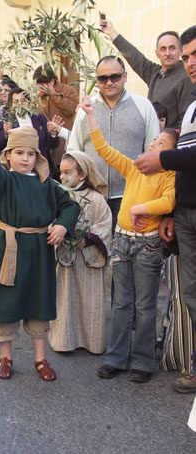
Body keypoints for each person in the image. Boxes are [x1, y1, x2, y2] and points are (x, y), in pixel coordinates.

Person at [80, 96, 177, 383]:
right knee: (121, 302)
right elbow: (104, 150)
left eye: (161, 144)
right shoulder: (135, 167)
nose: (153, 145)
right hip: (122, 241)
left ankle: (143, 361)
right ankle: (116, 357)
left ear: (170, 155)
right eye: (154, 141)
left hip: (147, 245)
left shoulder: (169, 175)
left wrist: (139, 208)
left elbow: (170, 200)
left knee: (145, 306)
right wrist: (90, 116)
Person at [0, 124, 79, 381]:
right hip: (10, 248)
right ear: (9, 155)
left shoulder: (48, 184)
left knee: (38, 301)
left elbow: (70, 206)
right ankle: (5, 357)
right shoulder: (4, 181)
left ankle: (40, 358)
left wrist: (61, 225)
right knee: (7, 300)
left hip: (38, 249)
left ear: (39, 157)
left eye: (31, 153)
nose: (25, 158)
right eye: (20, 152)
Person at [135, 25, 196, 393]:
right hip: (187, 216)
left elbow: (182, 158)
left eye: (193, 55)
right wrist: (172, 213)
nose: (190, 63)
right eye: (187, 57)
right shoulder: (190, 110)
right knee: (192, 295)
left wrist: (163, 159)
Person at [68, 55, 159, 232]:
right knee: (92, 255)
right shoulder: (86, 110)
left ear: (124, 76)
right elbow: (74, 151)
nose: (109, 82)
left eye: (114, 77)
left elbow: (153, 154)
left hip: (131, 198)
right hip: (92, 196)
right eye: (103, 78)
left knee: (125, 256)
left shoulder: (143, 106)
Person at [48, 151, 112, 353]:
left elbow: (104, 224)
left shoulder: (97, 200)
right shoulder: (59, 195)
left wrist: (87, 237)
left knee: (90, 300)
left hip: (89, 258)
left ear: (83, 174)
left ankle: (92, 341)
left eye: (68, 172)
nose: (63, 177)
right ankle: (64, 341)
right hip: (66, 258)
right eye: (61, 172)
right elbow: (49, 218)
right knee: (66, 299)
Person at [101, 21, 194, 129]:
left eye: (172, 48)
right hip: (154, 141)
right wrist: (112, 33)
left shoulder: (187, 76)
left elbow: (187, 119)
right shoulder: (155, 73)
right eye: (163, 49)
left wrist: (173, 140)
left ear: (180, 51)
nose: (168, 53)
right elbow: (135, 57)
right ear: (157, 53)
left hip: (171, 143)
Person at [33, 63, 79, 169]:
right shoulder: (39, 95)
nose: (38, 87)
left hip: (63, 140)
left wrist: (54, 95)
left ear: (52, 82)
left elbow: (71, 109)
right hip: (45, 142)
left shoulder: (68, 90)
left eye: (41, 84)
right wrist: (35, 99)